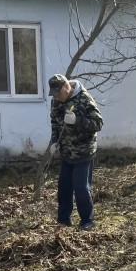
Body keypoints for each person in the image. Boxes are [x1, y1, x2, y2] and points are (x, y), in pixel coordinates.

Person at [48, 73, 104, 230]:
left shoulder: (85, 99)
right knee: (64, 187)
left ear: (67, 87)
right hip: (66, 151)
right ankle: (63, 219)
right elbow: (55, 122)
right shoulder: (56, 101)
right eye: (54, 95)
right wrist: (55, 142)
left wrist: (77, 121)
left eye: (58, 94)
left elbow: (98, 123)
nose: (57, 98)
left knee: (81, 187)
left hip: (83, 151)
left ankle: (87, 220)